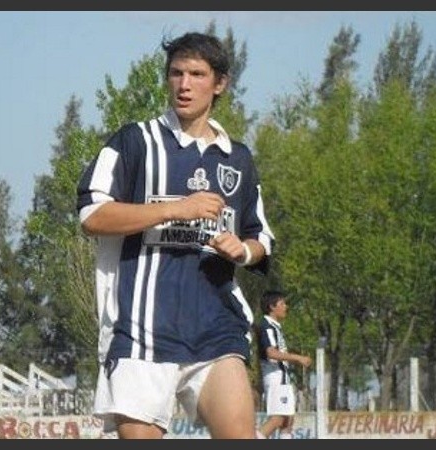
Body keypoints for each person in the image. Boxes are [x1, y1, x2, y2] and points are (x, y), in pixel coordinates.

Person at [76, 31, 275, 439]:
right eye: (176, 73)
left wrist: (242, 250)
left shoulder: (238, 158)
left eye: (197, 75)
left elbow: (261, 240)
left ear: (220, 84)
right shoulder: (135, 141)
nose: (184, 85)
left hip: (216, 329)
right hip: (141, 333)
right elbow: (92, 215)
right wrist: (175, 209)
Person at [256, 290, 312, 439]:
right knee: (278, 419)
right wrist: (297, 358)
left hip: (282, 378)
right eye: (282, 303)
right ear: (272, 306)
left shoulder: (275, 326)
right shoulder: (267, 326)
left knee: (288, 420)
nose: (286, 307)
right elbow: (271, 353)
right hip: (275, 377)